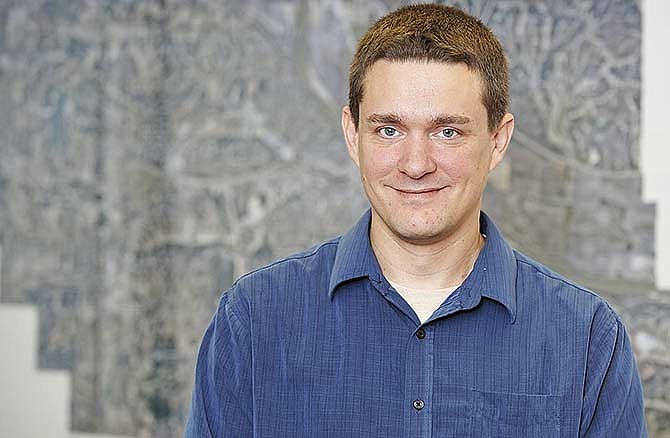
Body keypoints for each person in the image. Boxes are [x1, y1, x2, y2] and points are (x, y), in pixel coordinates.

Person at [184, 4, 647, 437]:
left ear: (498, 141)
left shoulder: (587, 338)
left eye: (447, 132)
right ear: (353, 135)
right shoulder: (253, 321)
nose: (415, 163)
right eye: (389, 130)